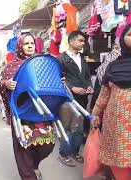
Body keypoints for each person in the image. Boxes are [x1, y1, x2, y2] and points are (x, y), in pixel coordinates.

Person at [0, 33, 55, 180]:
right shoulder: (11, 66)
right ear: (19, 47)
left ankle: (34, 165)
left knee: (47, 145)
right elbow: (2, 82)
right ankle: (28, 175)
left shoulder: (41, 62)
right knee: (23, 148)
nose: (30, 46)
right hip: (21, 112)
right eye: (26, 43)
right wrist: (6, 84)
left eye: (32, 43)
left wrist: (57, 79)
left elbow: (51, 80)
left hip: (41, 111)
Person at [91, 24, 131, 180]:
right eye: (130, 35)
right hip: (117, 126)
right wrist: (93, 116)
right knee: (119, 166)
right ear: (122, 39)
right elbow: (103, 95)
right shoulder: (113, 66)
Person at [58, 30, 93, 167]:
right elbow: (59, 79)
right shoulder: (61, 59)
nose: (83, 43)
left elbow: (87, 76)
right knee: (68, 126)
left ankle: (74, 151)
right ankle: (63, 153)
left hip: (83, 97)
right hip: (68, 98)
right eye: (81, 40)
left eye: (83, 41)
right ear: (71, 41)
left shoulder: (83, 58)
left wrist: (89, 86)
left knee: (80, 127)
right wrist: (71, 87)